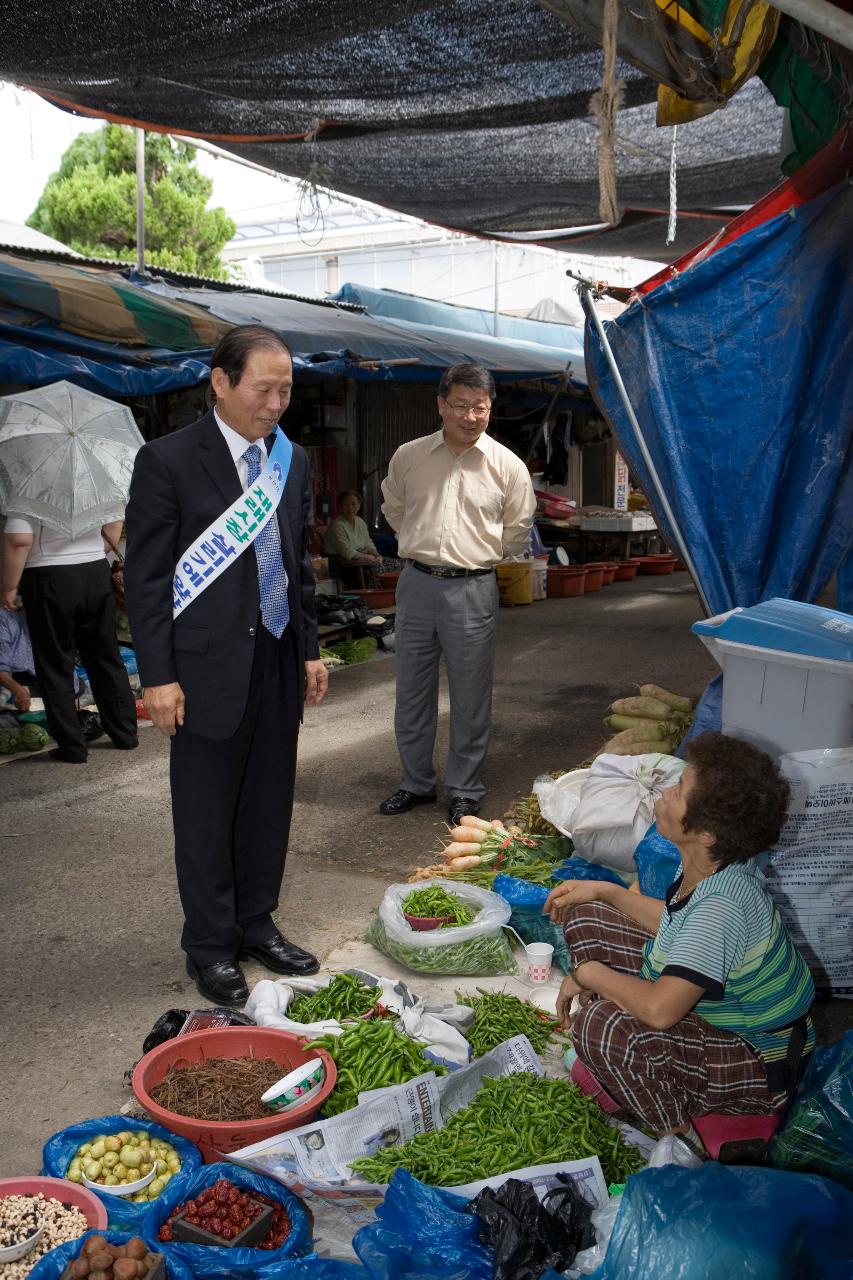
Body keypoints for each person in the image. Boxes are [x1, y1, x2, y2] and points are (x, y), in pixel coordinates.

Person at [124, 324, 329, 1007]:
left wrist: (307, 648)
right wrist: (157, 676)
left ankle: (256, 923)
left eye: (286, 390)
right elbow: (149, 580)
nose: (274, 403)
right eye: (262, 388)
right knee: (207, 813)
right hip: (204, 665)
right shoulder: (168, 461)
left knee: (268, 800)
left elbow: (296, 564)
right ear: (221, 382)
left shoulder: (290, 461)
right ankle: (210, 945)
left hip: (274, 654)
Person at [545, 732, 815, 1144]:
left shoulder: (721, 906)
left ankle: (681, 1138)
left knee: (600, 1025)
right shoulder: (707, 867)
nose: (666, 791)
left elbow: (659, 1011)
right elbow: (676, 926)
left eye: (679, 790)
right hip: (722, 1025)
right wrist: (607, 892)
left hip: (761, 1062)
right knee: (589, 913)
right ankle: (635, 1064)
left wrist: (587, 974)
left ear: (706, 832)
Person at [379, 362, 536, 826]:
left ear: (491, 410)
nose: (470, 416)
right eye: (461, 405)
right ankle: (415, 783)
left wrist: (478, 557)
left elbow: (517, 529)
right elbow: (394, 508)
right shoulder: (409, 456)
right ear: (441, 405)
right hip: (416, 584)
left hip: (472, 588)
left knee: (470, 695)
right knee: (411, 691)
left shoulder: (508, 466)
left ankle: (464, 789)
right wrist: (424, 548)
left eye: (480, 407)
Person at [1, 515, 138, 762]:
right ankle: (125, 734)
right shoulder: (98, 477)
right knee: (106, 656)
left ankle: (72, 747)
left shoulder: (29, 484)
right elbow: (114, 524)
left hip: (48, 575)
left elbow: (19, 540)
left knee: (55, 663)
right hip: (96, 570)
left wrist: (9, 587)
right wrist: (90, 552)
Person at [324, 490, 382, 568]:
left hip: (360, 558)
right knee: (377, 569)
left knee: (394, 564)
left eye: (353, 504)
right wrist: (369, 557)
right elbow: (347, 552)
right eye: (346, 504)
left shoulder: (360, 522)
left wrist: (376, 555)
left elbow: (368, 543)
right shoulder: (337, 525)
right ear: (341, 506)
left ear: (359, 506)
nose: (350, 507)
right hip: (342, 562)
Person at [0, 603, 37, 712]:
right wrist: (17, 690)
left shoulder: (48, 624)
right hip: (13, 678)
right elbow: (1, 668)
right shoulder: (5, 620)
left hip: (35, 680)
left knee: (78, 685)